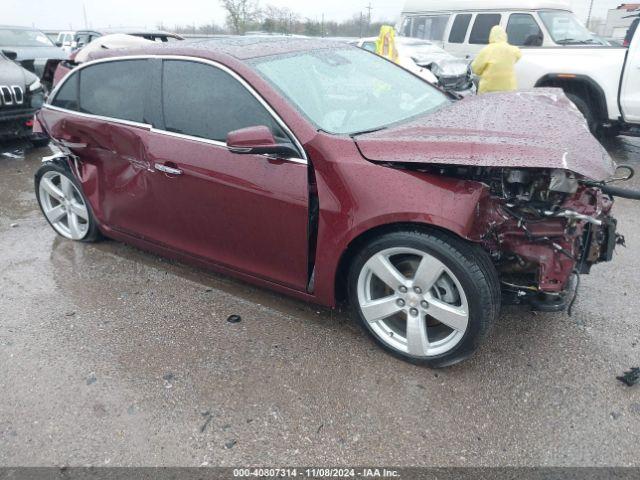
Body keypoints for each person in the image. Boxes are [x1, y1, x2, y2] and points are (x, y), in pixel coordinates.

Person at [471, 26, 522, 94]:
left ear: (491, 36)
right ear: (505, 35)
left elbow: (475, 69)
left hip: (488, 90)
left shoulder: (486, 50)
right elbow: (518, 55)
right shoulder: (514, 50)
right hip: (509, 89)